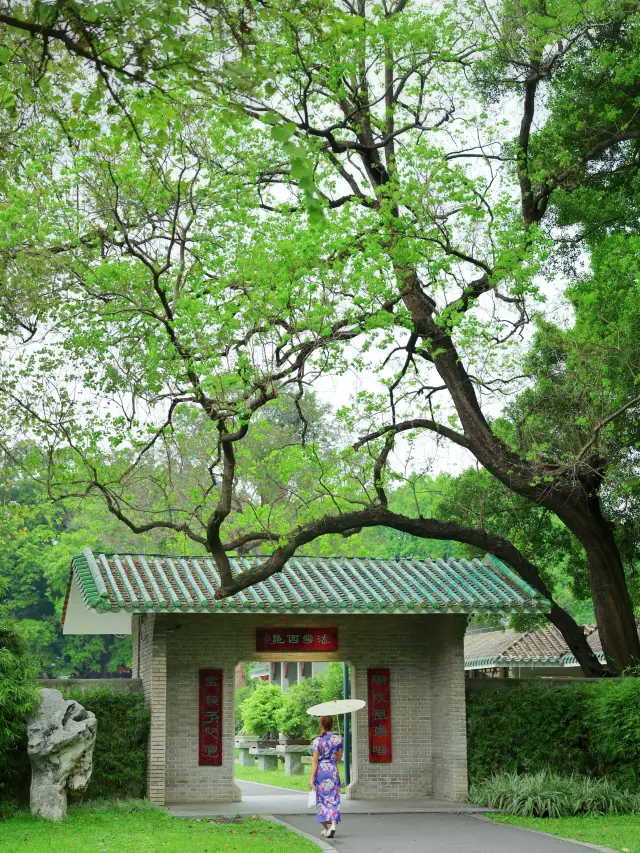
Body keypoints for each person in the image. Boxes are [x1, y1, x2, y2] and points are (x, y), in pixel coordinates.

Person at [310, 715, 343, 839]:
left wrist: (311, 778)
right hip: (333, 771)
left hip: (321, 772)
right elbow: (339, 758)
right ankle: (333, 825)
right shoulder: (338, 739)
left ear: (321, 725)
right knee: (333, 798)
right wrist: (340, 742)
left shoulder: (317, 741)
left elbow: (314, 761)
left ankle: (325, 828)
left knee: (322, 799)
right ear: (333, 724)